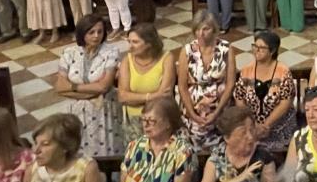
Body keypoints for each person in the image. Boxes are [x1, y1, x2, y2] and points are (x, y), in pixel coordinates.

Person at [57, 14, 129, 158]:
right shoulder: (69, 53)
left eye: (100, 32)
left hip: (103, 111)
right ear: (82, 33)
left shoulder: (111, 52)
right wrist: (92, 91)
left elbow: (104, 87)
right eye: (91, 32)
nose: (96, 36)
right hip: (76, 112)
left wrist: (73, 87)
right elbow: (60, 87)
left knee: (106, 150)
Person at [198, 106, 280, 182]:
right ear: (227, 138)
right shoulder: (216, 158)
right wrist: (238, 179)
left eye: (252, 130)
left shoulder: (263, 158)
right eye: (243, 133)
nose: (250, 137)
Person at [177, 12, 235, 153]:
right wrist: (192, 113)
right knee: (190, 149)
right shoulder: (187, 51)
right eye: (197, 29)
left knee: (221, 149)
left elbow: (230, 84)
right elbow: (182, 86)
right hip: (193, 110)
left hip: (220, 109)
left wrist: (217, 112)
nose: (201, 34)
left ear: (214, 29)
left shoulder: (226, 49)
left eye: (205, 29)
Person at [233, 29, 297, 153]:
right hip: (252, 126)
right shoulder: (247, 70)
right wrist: (251, 124)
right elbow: (239, 98)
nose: (256, 50)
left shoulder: (283, 71)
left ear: (272, 51)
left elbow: (285, 103)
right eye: (255, 46)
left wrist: (266, 125)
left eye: (262, 48)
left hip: (279, 127)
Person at [117, 21, 176, 133]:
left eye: (135, 42)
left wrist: (134, 98)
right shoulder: (127, 60)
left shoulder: (166, 58)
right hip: (133, 121)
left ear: (149, 43)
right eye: (129, 41)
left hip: (159, 119)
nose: (130, 47)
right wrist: (152, 96)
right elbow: (122, 97)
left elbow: (164, 96)